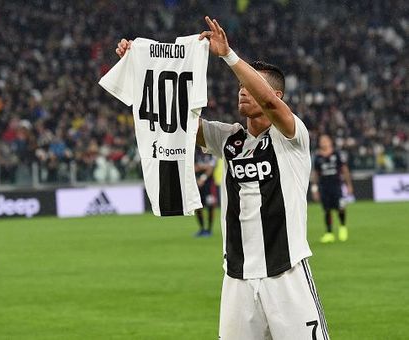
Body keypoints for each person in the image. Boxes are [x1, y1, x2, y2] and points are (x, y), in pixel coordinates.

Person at [116, 16, 329, 339]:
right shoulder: (229, 139)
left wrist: (229, 56)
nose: (243, 91)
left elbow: (269, 102)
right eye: (241, 87)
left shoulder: (292, 136)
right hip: (237, 279)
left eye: (252, 86)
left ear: (279, 96)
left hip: (286, 275)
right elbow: (174, 116)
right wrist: (140, 69)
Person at [311, 134, 354, 243]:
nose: (323, 142)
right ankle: (329, 233)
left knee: (341, 207)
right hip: (324, 187)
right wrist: (314, 189)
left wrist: (349, 185)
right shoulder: (318, 157)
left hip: (337, 186)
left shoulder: (337, 154)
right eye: (322, 140)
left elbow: (345, 169)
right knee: (327, 210)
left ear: (330, 141)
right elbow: (315, 174)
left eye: (326, 140)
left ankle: (342, 227)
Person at [194, 147, 217, 237]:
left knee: (210, 206)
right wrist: (204, 167)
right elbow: (194, 167)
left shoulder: (212, 151)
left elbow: (211, 168)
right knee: (197, 206)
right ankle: (202, 228)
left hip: (209, 185)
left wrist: (203, 177)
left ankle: (209, 229)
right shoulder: (196, 152)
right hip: (197, 183)